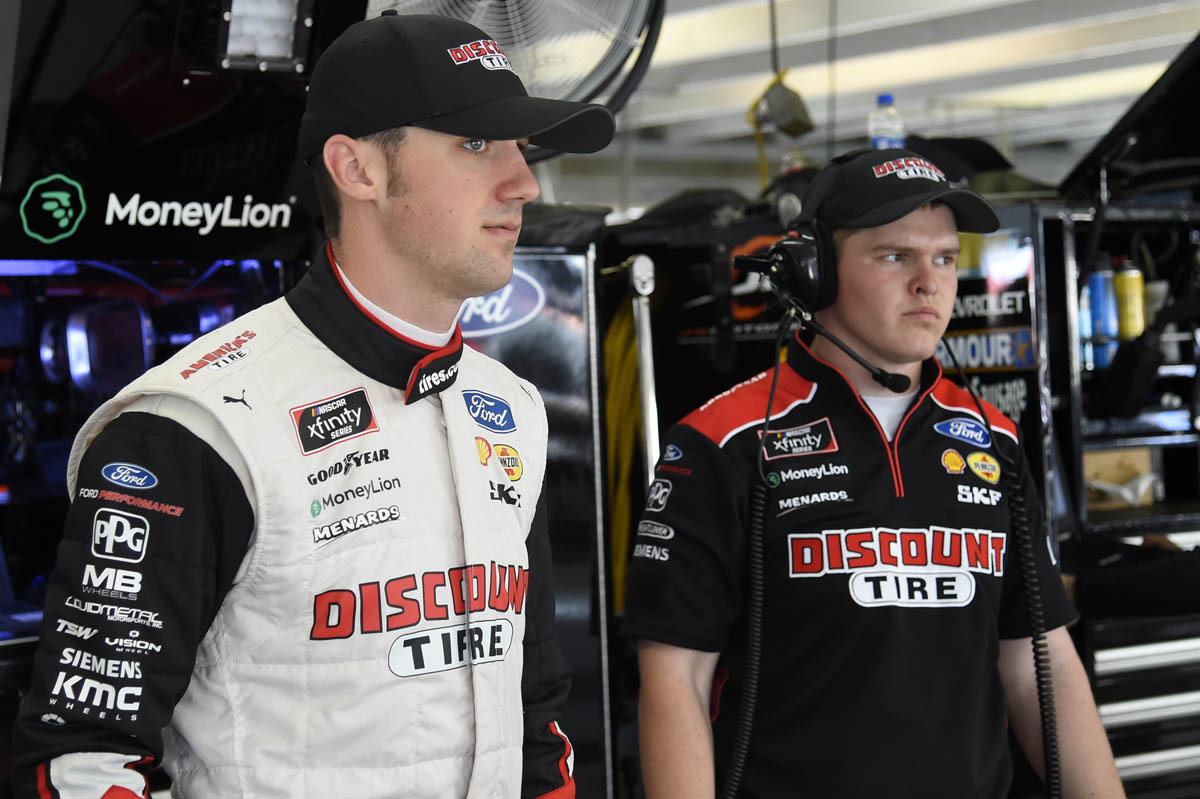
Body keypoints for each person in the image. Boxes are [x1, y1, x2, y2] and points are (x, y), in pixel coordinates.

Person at [12, 11, 613, 799]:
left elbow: (534, 712)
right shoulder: (197, 427)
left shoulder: (512, 408)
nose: (524, 182)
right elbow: (81, 764)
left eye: (520, 146)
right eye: (476, 143)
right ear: (357, 169)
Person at [622, 148, 1124, 797]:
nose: (929, 283)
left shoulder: (993, 440)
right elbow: (676, 679)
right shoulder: (721, 443)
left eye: (945, 258)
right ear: (814, 272)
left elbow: (1040, 662)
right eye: (896, 256)